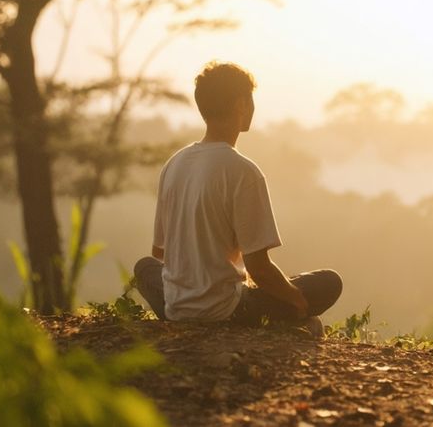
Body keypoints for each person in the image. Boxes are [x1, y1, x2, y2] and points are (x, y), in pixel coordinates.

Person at [133, 61, 341, 333]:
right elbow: (259, 269)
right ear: (241, 105)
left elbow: (160, 253)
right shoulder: (244, 172)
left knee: (144, 267)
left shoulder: (174, 164)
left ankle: (187, 307)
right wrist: (296, 300)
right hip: (227, 311)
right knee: (328, 283)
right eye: (251, 100)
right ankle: (292, 322)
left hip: (174, 307)